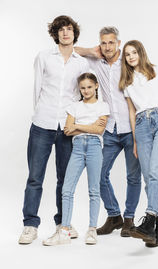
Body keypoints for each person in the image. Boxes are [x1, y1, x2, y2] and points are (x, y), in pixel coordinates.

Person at [18, 15, 89, 244]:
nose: (65, 33)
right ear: (55, 33)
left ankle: (63, 223)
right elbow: (37, 88)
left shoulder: (81, 63)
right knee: (35, 177)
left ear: (74, 33)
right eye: (61, 29)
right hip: (42, 123)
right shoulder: (44, 57)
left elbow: (81, 95)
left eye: (69, 29)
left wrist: (75, 123)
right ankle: (30, 225)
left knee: (64, 179)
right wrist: (38, 115)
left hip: (67, 128)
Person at [75, 27, 141, 237]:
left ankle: (129, 219)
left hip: (131, 128)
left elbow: (150, 74)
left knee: (133, 176)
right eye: (103, 43)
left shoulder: (129, 60)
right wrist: (91, 51)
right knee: (99, 174)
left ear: (118, 43)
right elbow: (70, 50)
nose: (107, 47)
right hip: (110, 129)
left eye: (111, 42)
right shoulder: (97, 62)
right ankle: (114, 216)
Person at [119, 40, 158, 247]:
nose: (131, 57)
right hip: (142, 125)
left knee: (155, 172)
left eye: (134, 52)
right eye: (127, 54)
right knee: (148, 177)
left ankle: (149, 219)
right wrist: (135, 140)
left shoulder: (156, 71)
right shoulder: (127, 82)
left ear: (141, 53)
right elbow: (131, 113)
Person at [43, 73, 110, 246]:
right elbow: (67, 130)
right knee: (67, 189)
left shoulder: (103, 106)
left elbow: (98, 130)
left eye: (89, 87)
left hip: (95, 146)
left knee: (94, 190)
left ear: (96, 86)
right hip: (78, 148)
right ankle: (64, 231)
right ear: (79, 89)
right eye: (82, 88)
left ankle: (92, 230)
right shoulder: (74, 107)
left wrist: (78, 125)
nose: (86, 91)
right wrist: (88, 127)